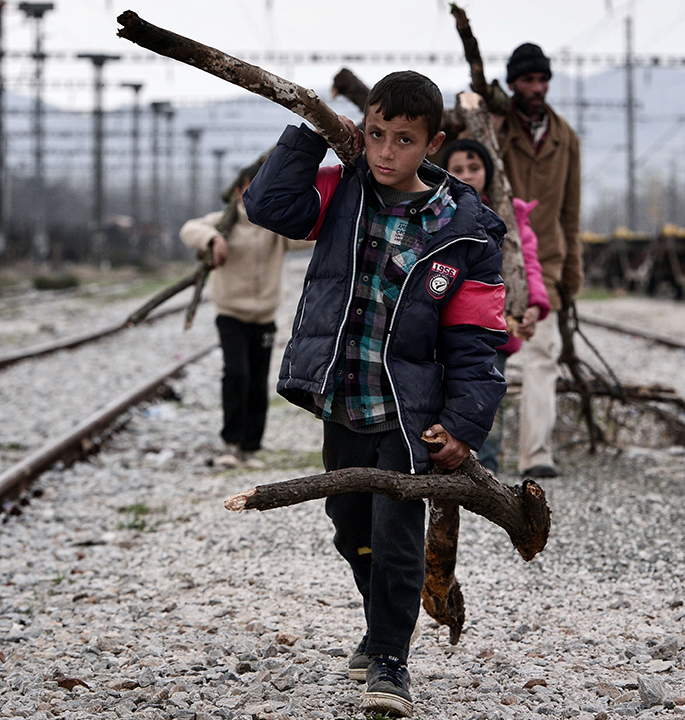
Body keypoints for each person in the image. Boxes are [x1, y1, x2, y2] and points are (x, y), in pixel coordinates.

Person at [243, 70, 507, 718]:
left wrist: (464, 424)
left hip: (408, 412)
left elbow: (477, 340)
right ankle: (379, 620)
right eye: (376, 134)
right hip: (343, 398)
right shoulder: (344, 192)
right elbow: (268, 206)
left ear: (433, 143)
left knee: (396, 534)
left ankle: (391, 658)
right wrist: (312, 134)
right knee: (349, 525)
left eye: (404, 140)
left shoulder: (466, 231)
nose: (386, 151)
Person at [178, 159, 309, 469]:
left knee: (258, 382)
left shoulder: (275, 225)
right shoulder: (225, 223)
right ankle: (231, 443)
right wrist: (213, 239)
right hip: (231, 314)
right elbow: (189, 229)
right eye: (251, 188)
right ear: (238, 192)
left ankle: (251, 447)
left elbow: (308, 234)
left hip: (264, 317)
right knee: (236, 374)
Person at [496, 42, 582, 479]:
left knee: (543, 354)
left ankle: (536, 454)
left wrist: (572, 272)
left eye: (543, 79)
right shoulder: (496, 131)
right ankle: (479, 451)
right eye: (528, 80)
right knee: (484, 353)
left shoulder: (566, 138)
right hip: (494, 257)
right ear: (513, 84)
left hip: (546, 260)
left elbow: (571, 212)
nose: (537, 88)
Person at [441, 139, 551, 475]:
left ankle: (486, 468)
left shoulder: (510, 217)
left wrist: (534, 304)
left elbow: (528, 263)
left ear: (489, 173)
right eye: (457, 169)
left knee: (486, 399)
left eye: (474, 168)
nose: (467, 175)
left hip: (494, 326)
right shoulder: (437, 209)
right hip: (444, 325)